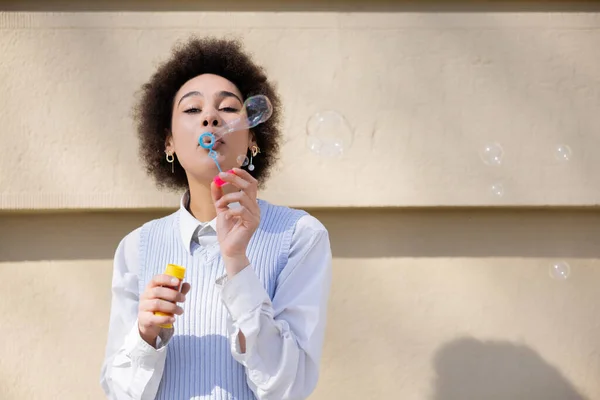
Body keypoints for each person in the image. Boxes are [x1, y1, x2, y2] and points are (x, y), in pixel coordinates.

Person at [99, 36, 332, 400]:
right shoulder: (137, 247)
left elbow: (288, 387)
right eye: (192, 110)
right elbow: (119, 392)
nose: (210, 117)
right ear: (168, 143)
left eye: (228, 108)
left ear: (253, 138)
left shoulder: (299, 235)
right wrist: (145, 335)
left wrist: (238, 265)